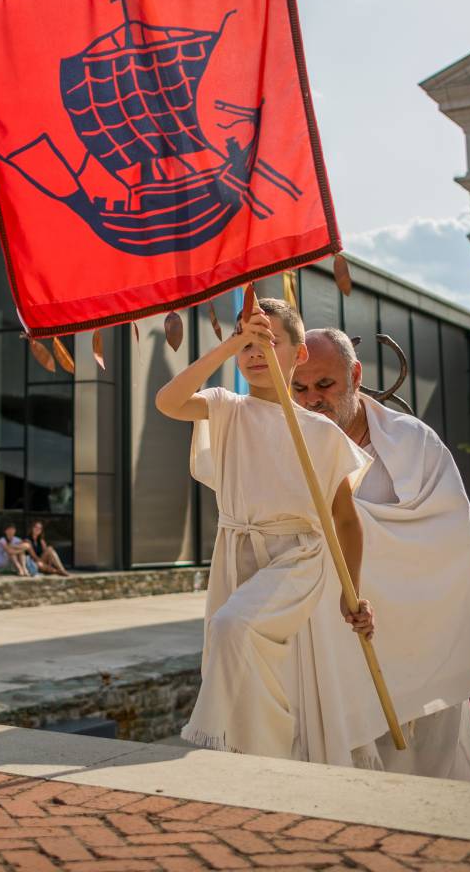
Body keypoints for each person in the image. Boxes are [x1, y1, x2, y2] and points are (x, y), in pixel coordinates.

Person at [156, 296, 382, 767]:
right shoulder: (226, 408)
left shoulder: (318, 433)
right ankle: (253, 755)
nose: (255, 352)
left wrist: (351, 592)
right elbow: (168, 401)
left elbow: (344, 518)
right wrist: (229, 345)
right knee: (239, 655)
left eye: (268, 341)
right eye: (247, 344)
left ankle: (268, 748)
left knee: (234, 627)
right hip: (235, 551)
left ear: (298, 355)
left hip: (297, 558)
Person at [292, 329, 470, 780]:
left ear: (356, 375)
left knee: (423, 775)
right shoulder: (285, 445)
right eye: (299, 388)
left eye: (325, 385)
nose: (312, 400)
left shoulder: (415, 443)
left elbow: (451, 544)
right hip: (326, 643)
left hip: (417, 642)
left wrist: (357, 541)